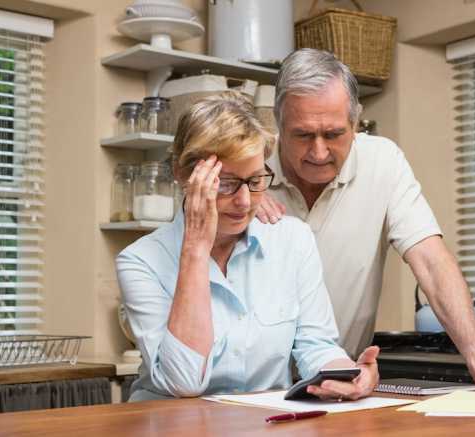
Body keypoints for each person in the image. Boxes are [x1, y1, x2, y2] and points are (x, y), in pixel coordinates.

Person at [256, 48, 475, 392]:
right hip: (249, 388)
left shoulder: (383, 162)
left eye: (333, 134)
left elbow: (432, 263)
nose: (318, 153)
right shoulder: (246, 172)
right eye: (303, 135)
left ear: (355, 120)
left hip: (338, 383)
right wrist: (239, 194)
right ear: (278, 124)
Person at [116, 92, 379, 402]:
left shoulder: (293, 240)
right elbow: (183, 382)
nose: (244, 202)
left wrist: (346, 374)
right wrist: (196, 251)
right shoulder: (140, 261)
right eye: (225, 183)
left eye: (255, 181)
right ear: (182, 174)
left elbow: (316, 344)